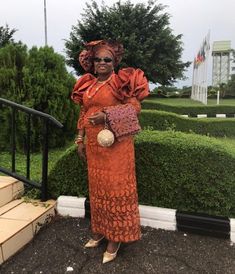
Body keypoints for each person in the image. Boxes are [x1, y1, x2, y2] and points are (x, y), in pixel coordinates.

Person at [71, 40, 149, 264]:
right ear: (92, 63)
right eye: (98, 59)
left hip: (117, 148)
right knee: (98, 191)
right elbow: (84, 112)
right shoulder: (89, 84)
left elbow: (135, 108)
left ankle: (116, 238)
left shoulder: (121, 82)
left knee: (116, 190)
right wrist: (80, 138)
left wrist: (107, 115)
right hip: (95, 149)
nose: (102, 63)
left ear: (114, 62)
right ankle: (100, 231)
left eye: (107, 59)